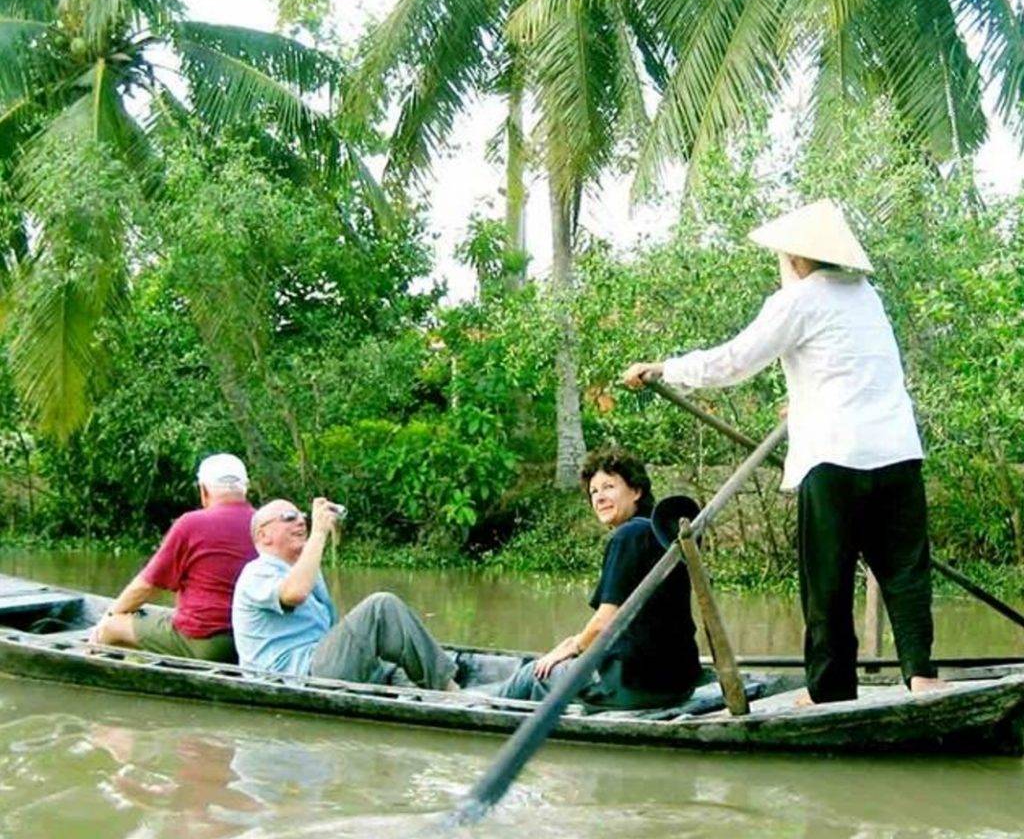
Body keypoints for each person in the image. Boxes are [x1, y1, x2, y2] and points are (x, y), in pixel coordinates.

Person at [623, 198, 943, 705]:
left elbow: (732, 362)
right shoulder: (867, 296)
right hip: (898, 451)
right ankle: (922, 677)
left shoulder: (798, 301)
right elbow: (852, 368)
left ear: (795, 259)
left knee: (827, 580)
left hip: (835, 460)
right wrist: (802, 405)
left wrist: (664, 368)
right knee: (905, 571)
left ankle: (830, 691)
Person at [482, 449, 702, 710]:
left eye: (609, 487)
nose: (599, 498)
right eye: (594, 492)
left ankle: (479, 708)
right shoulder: (661, 537)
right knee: (557, 663)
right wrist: (576, 641)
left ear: (636, 491)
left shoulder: (628, 535)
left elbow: (604, 623)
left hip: (636, 685)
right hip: (679, 683)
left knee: (534, 674)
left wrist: (574, 646)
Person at [232, 497, 459, 690]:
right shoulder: (256, 572)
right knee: (380, 607)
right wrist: (319, 533)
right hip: (296, 676)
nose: (301, 520)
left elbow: (331, 629)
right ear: (263, 536)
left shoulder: (305, 570)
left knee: (390, 661)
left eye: (302, 515)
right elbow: (294, 594)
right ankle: (450, 691)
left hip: (319, 662)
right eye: (289, 517)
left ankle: (425, 687)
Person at [89, 453, 256, 662]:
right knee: (149, 619)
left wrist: (108, 618)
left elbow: (145, 587)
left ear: (203, 490)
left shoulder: (191, 524)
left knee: (111, 627)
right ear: (246, 488)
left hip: (205, 643)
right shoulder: (263, 525)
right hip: (248, 642)